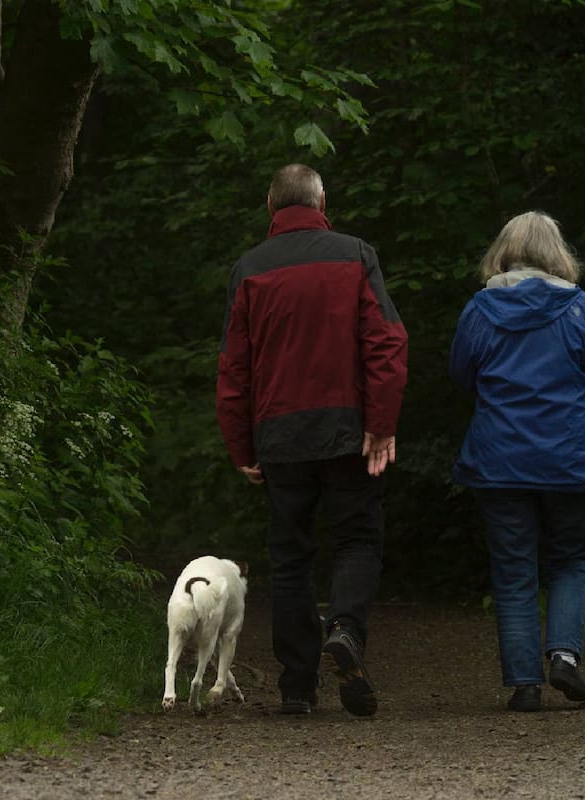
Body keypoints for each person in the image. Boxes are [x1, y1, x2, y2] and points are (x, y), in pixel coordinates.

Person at [216, 164, 408, 717]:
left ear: (268, 204)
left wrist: (241, 446)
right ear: (323, 199)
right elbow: (386, 344)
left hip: (279, 434)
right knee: (357, 540)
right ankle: (345, 629)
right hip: (348, 428)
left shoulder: (249, 268)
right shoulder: (355, 255)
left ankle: (298, 686)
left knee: (291, 557)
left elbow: (234, 369)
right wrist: (382, 423)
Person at [449, 211, 585, 712]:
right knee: (570, 558)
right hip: (568, 455)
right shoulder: (578, 307)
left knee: (513, 570)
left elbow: (461, 373)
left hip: (500, 457)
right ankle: (565, 657)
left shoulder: (481, 309)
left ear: (503, 252)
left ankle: (525, 684)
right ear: (557, 253)